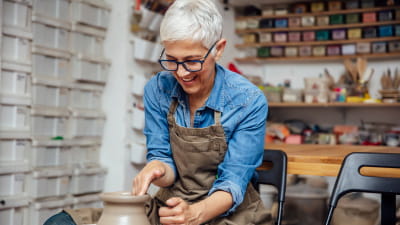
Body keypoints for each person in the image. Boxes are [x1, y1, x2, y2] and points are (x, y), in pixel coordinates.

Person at [133, 0, 270, 224]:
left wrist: (194, 214)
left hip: (230, 211)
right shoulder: (157, 89)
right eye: (172, 60)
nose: (181, 73)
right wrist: (156, 168)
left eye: (191, 61)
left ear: (218, 50)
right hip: (173, 205)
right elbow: (164, 160)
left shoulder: (248, 101)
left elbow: (233, 182)